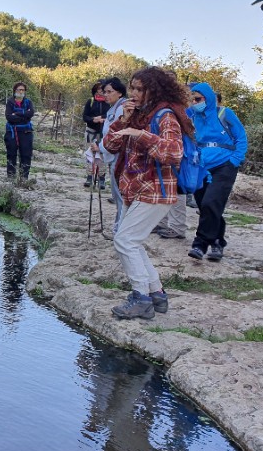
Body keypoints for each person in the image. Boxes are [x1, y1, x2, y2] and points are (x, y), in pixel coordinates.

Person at [103, 66, 193, 319]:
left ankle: (140, 297)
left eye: (139, 89)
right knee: (133, 241)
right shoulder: (136, 114)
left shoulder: (165, 115)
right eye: (132, 87)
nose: (133, 93)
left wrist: (140, 135)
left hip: (156, 190)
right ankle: (156, 294)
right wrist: (123, 121)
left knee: (124, 240)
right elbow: (109, 146)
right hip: (136, 190)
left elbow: (173, 153)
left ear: (154, 90)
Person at [186, 83, 248, 261]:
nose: (194, 102)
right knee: (208, 206)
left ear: (208, 97)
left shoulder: (224, 113)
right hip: (201, 166)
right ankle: (218, 242)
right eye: (192, 99)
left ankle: (200, 244)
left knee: (210, 203)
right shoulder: (192, 115)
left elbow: (241, 137)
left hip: (224, 166)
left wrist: (235, 160)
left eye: (198, 99)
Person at [96, 77, 127, 235]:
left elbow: (116, 135)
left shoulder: (122, 109)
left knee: (120, 195)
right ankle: (118, 227)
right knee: (116, 194)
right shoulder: (114, 108)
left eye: (109, 92)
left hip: (119, 156)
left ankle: (120, 230)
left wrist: (100, 147)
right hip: (112, 154)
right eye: (104, 92)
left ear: (119, 93)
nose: (106, 95)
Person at [5, 81, 34, 180]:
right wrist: (24, 115)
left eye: (22, 90)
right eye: (19, 89)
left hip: (26, 132)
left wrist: (17, 113)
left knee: (26, 155)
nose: (21, 91)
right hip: (12, 132)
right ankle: (11, 177)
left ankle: (24, 177)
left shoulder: (28, 102)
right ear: (15, 91)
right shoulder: (10, 102)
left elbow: (30, 114)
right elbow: (9, 117)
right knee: (11, 154)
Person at [83, 83, 110, 187]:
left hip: (103, 133)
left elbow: (111, 116)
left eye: (102, 90)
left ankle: (101, 178)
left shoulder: (109, 103)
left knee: (102, 155)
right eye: (99, 89)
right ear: (95, 90)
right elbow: (85, 116)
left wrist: (102, 119)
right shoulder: (91, 101)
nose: (101, 92)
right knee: (89, 154)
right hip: (91, 131)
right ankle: (89, 177)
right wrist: (93, 119)